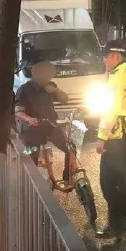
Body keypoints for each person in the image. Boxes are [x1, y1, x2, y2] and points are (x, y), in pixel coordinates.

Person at [96, 41, 126, 238]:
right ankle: (121, 222)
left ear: (115, 56)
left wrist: (102, 137)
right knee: (123, 177)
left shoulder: (118, 76)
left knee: (108, 180)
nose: (104, 60)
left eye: (106, 57)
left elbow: (111, 108)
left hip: (117, 135)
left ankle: (115, 224)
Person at [15, 61, 72, 191]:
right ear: (35, 74)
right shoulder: (24, 89)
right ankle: (30, 185)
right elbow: (18, 112)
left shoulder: (50, 86)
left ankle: (67, 178)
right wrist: (29, 119)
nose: (47, 78)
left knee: (69, 148)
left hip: (50, 125)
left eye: (49, 75)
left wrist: (56, 90)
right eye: (44, 75)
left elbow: (65, 99)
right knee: (30, 155)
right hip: (32, 129)